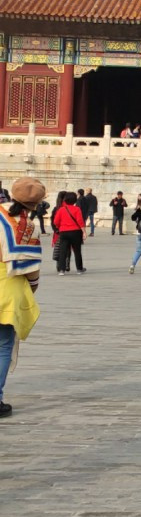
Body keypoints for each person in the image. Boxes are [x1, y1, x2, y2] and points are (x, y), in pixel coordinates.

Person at [0, 177, 45, 418]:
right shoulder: (27, 226)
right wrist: (33, 288)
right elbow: (31, 271)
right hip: (9, 291)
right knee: (3, 346)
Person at [53, 192, 87, 275]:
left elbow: (56, 221)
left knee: (63, 251)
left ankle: (62, 270)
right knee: (77, 251)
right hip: (75, 232)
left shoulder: (61, 209)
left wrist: (60, 227)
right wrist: (84, 232)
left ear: (65, 200)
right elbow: (80, 221)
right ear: (75, 200)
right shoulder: (77, 209)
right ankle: (79, 269)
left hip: (63, 232)